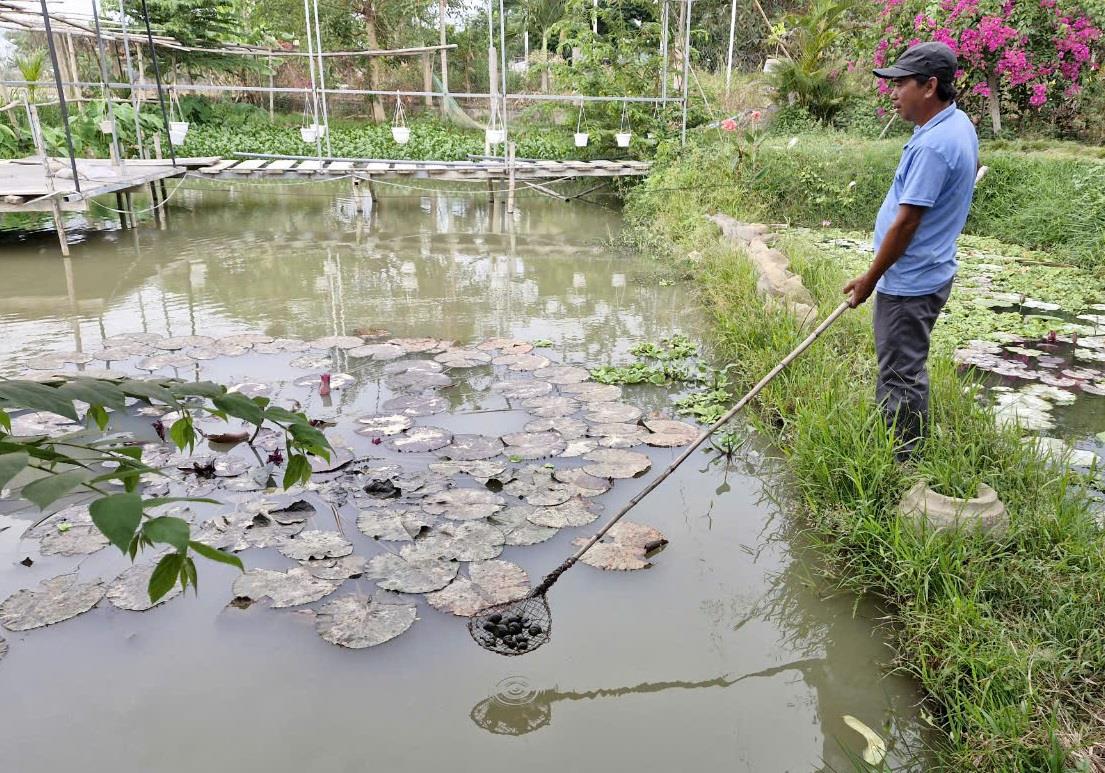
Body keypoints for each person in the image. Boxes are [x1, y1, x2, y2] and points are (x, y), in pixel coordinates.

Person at [843, 41, 979, 459]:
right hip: (928, 269)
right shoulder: (955, 125)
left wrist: (871, 279)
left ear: (929, 86)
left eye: (901, 84)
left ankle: (903, 462)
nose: (894, 92)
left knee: (901, 373)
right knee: (904, 366)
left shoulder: (934, 146)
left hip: (911, 280)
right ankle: (900, 447)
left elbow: (906, 224)